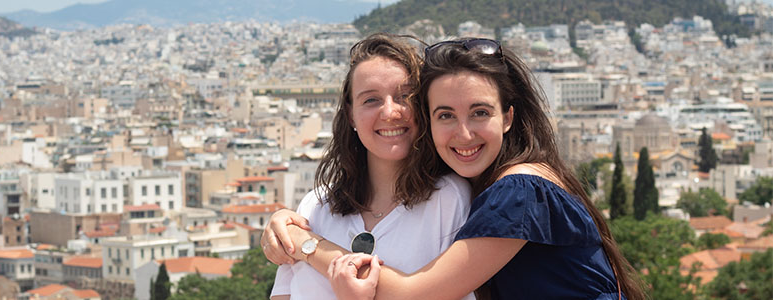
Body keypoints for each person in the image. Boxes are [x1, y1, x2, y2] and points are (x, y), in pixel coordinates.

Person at [262, 38, 645, 300]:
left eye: (480, 112)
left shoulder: (516, 191)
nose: (463, 134)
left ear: (509, 116)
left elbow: (417, 293)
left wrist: (307, 246)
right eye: (446, 115)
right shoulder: (496, 189)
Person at [267, 33, 474, 300]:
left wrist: (308, 247)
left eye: (405, 97)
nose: (389, 112)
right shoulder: (315, 206)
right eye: (371, 100)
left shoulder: (450, 201)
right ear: (351, 115)